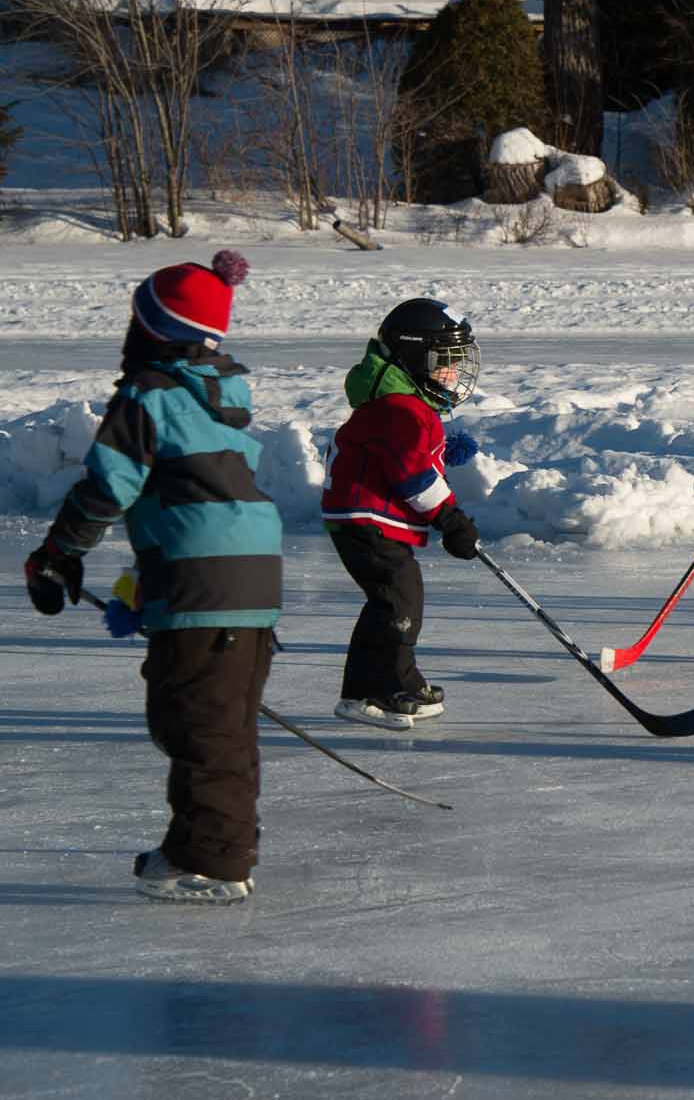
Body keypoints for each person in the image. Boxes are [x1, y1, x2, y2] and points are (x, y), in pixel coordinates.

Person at [22, 252, 282, 904]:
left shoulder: (149, 394)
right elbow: (183, 505)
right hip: (247, 581)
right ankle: (219, 839)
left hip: (207, 583)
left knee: (199, 724)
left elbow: (111, 485)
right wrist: (140, 590)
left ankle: (213, 857)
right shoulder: (218, 399)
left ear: (154, 331)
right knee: (217, 720)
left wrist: (59, 553)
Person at [320, 298, 483, 730]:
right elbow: (413, 476)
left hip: (360, 519)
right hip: (367, 519)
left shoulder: (400, 406)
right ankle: (388, 686)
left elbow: (400, 453)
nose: (452, 373)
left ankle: (370, 689)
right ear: (413, 356)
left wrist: (440, 448)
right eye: (443, 362)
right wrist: (451, 520)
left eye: (455, 362)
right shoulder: (405, 411)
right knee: (398, 601)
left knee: (390, 599)